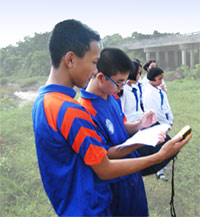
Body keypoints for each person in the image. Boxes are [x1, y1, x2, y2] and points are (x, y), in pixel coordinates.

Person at [32, 19, 192, 217]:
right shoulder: (69, 110)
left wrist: (139, 126)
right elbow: (104, 168)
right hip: (90, 208)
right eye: (93, 63)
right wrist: (160, 156)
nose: (94, 70)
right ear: (70, 59)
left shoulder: (44, 102)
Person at [78, 48, 186, 216]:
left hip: (132, 177)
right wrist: (143, 140)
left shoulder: (111, 97)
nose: (122, 87)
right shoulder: (84, 111)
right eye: (120, 82)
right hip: (116, 185)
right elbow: (106, 155)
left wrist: (138, 125)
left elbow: (121, 127)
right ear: (100, 77)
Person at [143, 66, 174, 180]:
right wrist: (166, 123)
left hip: (164, 123)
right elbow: (157, 112)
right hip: (157, 124)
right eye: (159, 79)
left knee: (163, 146)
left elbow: (166, 105)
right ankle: (158, 170)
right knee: (159, 147)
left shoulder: (159, 89)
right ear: (152, 79)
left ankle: (161, 167)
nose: (161, 81)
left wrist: (170, 119)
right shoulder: (148, 94)